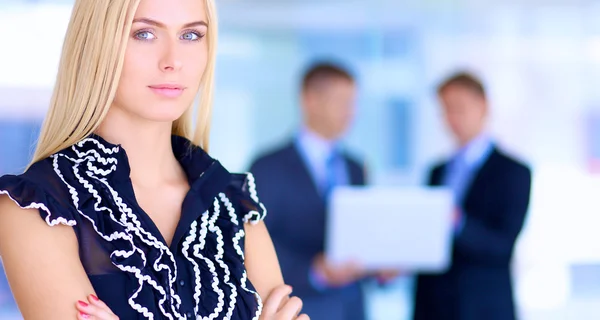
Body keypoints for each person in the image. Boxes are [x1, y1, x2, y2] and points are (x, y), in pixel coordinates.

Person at [0, 0, 308, 319]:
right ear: (96, 44)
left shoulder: (233, 204)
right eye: (145, 34)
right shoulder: (36, 205)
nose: (173, 60)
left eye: (191, 35)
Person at [249, 62, 379, 320]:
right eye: (341, 102)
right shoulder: (267, 167)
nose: (350, 112)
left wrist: (379, 263)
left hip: (354, 311)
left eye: (353, 102)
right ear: (310, 100)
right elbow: (252, 244)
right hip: (302, 309)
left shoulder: (356, 167)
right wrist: (314, 271)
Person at [413, 72, 532, 320]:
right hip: (434, 306)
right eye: (445, 110)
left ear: (484, 106)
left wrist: (456, 222)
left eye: (459, 108)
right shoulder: (436, 172)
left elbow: (502, 245)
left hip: (483, 307)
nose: (452, 118)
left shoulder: (514, 172)